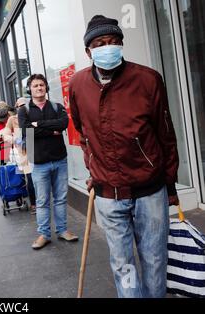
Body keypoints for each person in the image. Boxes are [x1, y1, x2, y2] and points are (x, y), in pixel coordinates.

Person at [69, 15, 180, 298]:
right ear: (88, 52)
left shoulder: (147, 79)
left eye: (112, 42)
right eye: (99, 43)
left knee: (155, 260)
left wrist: (170, 184)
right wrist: (93, 167)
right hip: (108, 193)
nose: (107, 47)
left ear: (121, 44)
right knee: (122, 264)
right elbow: (84, 133)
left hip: (149, 190)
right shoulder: (78, 85)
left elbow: (165, 134)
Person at [18, 74, 78, 250]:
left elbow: (63, 124)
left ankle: (62, 230)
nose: (39, 88)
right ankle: (44, 234)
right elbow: (26, 133)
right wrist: (51, 129)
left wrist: (39, 125)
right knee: (43, 200)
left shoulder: (56, 106)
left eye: (42, 85)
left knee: (61, 198)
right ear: (30, 89)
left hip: (60, 160)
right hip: (39, 163)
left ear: (46, 87)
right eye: (35, 85)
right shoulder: (24, 111)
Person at [0, 97, 36, 213]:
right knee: (30, 178)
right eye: (20, 106)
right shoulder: (13, 119)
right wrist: (14, 139)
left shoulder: (34, 115)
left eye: (24, 105)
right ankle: (34, 203)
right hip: (25, 153)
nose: (22, 108)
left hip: (39, 150)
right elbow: (4, 133)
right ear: (16, 107)